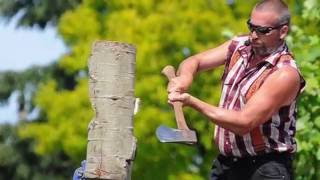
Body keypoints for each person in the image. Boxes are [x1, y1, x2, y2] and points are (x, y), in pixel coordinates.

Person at [167, 0, 305, 179]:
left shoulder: (285, 73)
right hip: (227, 163)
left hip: (266, 169)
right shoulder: (240, 45)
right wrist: (185, 78)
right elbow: (194, 61)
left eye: (262, 30)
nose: (254, 35)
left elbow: (244, 123)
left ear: (283, 31)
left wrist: (191, 101)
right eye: (251, 26)